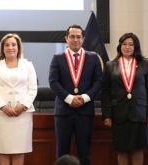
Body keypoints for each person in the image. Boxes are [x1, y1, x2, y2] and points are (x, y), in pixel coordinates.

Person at [48, 24, 103, 165]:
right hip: (64, 112)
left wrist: (83, 98)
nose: (75, 39)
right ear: (66, 39)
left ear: (83, 39)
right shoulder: (57, 57)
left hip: (84, 112)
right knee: (61, 154)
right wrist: (70, 98)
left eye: (78, 36)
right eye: (72, 36)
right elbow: (53, 82)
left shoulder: (93, 58)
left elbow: (98, 82)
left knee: (84, 154)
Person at [101, 33, 148, 165]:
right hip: (118, 113)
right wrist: (106, 114)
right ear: (120, 46)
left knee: (137, 149)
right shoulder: (110, 65)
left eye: (131, 44)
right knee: (122, 149)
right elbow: (105, 92)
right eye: (124, 44)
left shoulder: (144, 64)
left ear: (136, 46)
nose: (127, 47)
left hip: (139, 113)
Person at [0, 33, 37, 165]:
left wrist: (23, 106)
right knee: (3, 149)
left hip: (22, 114)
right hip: (2, 114)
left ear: (18, 47)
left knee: (19, 149)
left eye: (13, 45)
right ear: (2, 48)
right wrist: (4, 107)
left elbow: (33, 89)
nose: (11, 47)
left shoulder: (28, 65)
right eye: (7, 45)